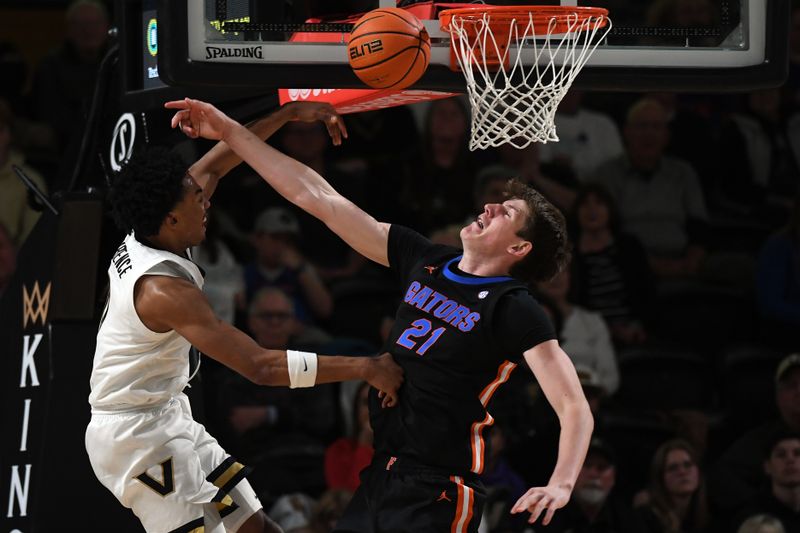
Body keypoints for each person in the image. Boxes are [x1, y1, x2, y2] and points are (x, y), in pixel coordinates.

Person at [167, 97, 595, 531]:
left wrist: (561, 484)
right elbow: (317, 197)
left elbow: (573, 405)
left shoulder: (514, 307)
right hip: (380, 476)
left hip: (439, 490)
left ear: (519, 249)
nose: (489, 207)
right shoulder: (426, 259)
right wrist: (229, 131)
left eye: (506, 213)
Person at [85, 102, 404, 533]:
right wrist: (365, 367)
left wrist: (288, 114)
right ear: (172, 217)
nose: (206, 201)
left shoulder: (153, 223)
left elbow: (220, 159)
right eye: (196, 199)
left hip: (167, 413)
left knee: (259, 528)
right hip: (134, 438)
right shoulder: (163, 291)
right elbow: (259, 366)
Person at [590, 97, 709, 280]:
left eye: (656, 127)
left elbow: (698, 225)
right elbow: (606, 230)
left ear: (667, 135)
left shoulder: (683, 172)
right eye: (642, 126)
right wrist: (650, 264)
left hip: (682, 258)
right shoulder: (607, 174)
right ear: (627, 133)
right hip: (628, 263)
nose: (649, 134)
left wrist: (692, 261)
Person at [711, 353, 800, 513]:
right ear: (778, 397)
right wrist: (766, 507)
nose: (799, 392)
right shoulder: (761, 440)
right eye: (791, 385)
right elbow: (722, 476)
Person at [569, 183, 655, 346]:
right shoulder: (569, 253)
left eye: (599, 203)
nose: (591, 209)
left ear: (610, 210)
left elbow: (647, 292)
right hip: (589, 335)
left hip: (633, 330)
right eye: (585, 204)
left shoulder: (629, 246)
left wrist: (638, 326)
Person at [544, 437, 647, 533]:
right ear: (570, 472)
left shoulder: (630, 522)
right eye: (586, 465)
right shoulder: (546, 517)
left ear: (613, 477)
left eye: (601, 467)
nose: (593, 474)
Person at [636, 439, 712, 533]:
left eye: (687, 465)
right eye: (673, 468)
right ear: (661, 478)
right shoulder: (646, 518)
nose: (682, 472)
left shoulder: (708, 514)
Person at [733, 432, 800, 533]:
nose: (790, 460)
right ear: (767, 466)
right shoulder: (751, 517)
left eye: (798, 453)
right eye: (781, 455)